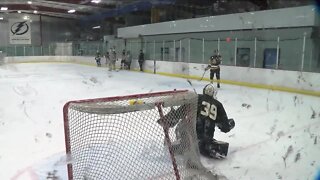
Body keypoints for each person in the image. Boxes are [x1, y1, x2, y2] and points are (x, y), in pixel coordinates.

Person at [157, 83, 235, 159]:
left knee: (181, 125)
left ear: (204, 91)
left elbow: (180, 113)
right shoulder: (218, 105)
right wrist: (229, 124)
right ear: (213, 94)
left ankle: (184, 144)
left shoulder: (197, 98)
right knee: (219, 147)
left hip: (191, 139)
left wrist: (169, 119)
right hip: (205, 143)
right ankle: (206, 146)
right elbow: (225, 128)